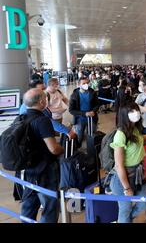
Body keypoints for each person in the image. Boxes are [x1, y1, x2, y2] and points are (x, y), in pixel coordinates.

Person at [20, 88, 74, 223]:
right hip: (45, 170)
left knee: (29, 205)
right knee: (50, 206)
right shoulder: (42, 120)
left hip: (28, 169)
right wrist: (63, 149)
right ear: (41, 101)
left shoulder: (21, 117)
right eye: (45, 98)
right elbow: (54, 149)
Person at [110, 103, 146, 223]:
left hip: (138, 174)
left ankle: (123, 221)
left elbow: (140, 139)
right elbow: (119, 165)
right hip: (123, 178)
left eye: (136, 110)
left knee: (144, 203)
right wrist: (127, 187)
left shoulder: (134, 129)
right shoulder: (120, 135)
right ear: (125, 115)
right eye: (132, 111)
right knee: (125, 209)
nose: (136, 113)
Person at [69, 77, 100, 148]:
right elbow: (71, 110)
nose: (86, 85)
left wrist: (93, 111)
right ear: (79, 84)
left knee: (92, 135)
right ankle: (78, 148)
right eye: (84, 83)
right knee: (79, 136)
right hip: (80, 120)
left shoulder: (92, 92)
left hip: (92, 119)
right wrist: (84, 113)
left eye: (87, 83)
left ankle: (91, 149)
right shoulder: (74, 95)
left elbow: (97, 104)